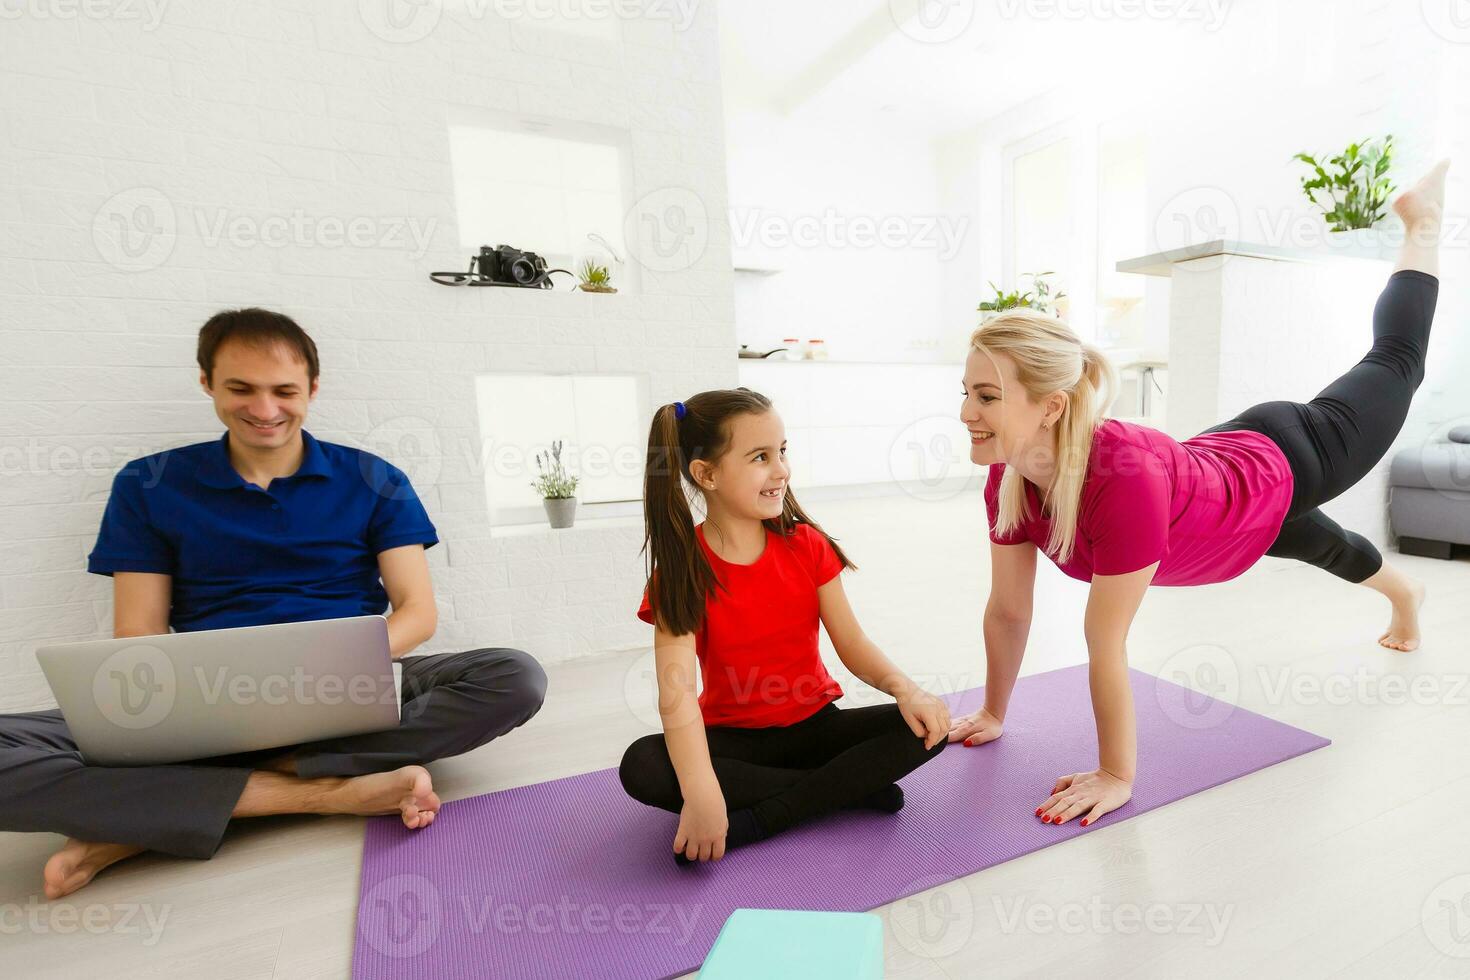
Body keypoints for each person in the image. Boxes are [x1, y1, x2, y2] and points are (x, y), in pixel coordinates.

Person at [946, 161, 1450, 830]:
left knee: (1395, 361)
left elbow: (1105, 641)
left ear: (1051, 407)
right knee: (1319, 543)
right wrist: (993, 712)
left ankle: (1422, 224)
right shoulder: (1011, 478)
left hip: (1287, 458)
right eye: (965, 392)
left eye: (985, 397)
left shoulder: (1119, 480)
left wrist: (1116, 774)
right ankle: (1405, 594)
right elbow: (1010, 613)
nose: (965, 413)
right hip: (1219, 496)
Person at [0, 308, 547, 899]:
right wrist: (197, 707)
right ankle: (321, 791)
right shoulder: (149, 483)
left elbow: (416, 612)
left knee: (514, 676)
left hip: (348, 679)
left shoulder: (374, 478)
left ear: (313, 388)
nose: (265, 410)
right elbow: (139, 633)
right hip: (208, 695)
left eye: (284, 391)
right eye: (241, 389)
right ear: (207, 382)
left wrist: (327, 667)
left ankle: (155, 812)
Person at [619, 388, 950, 865]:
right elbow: (675, 694)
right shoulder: (681, 571)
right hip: (737, 742)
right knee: (642, 765)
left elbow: (852, 643)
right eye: (760, 457)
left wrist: (907, 690)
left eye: (782, 452)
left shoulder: (807, 546)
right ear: (705, 474)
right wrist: (702, 792)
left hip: (815, 729)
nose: (781, 470)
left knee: (929, 725)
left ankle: (768, 816)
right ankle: (846, 788)